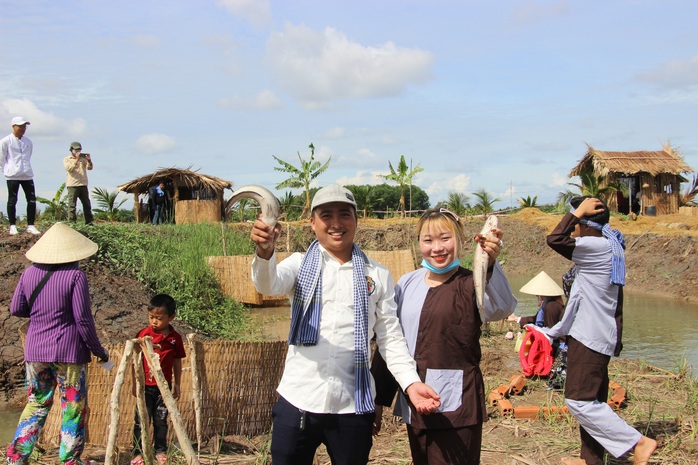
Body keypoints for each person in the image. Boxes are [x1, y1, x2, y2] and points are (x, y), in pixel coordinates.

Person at [249, 184, 441, 465]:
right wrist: (265, 251)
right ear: (312, 223)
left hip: (352, 405)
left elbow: (390, 337)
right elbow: (267, 283)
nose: (336, 223)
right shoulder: (299, 265)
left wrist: (411, 384)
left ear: (356, 220)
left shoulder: (377, 275)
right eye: (326, 215)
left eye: (345, 214)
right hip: (298, 399)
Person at [371, 208, 517, 465]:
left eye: (445, 238)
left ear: (460, 240)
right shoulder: (406, 283)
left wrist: (491, 263)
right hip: (414, 403)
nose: (437, 248)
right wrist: (379, 399)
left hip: (456, 407)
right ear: (419, 244)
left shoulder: (472, 283)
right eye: (428, 240)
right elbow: (391, 341)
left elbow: (503, 307)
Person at [535, 196, 657, 465]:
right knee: (593, 403)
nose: (573, 226)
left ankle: (638, 442)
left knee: (579, 401)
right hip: (596, 333)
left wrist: (576, 212)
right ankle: (590, 459)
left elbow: (555, 238)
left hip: (590, 336)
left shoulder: (595, 245)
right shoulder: (607, 245)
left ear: (586, 223)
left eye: (577, 221)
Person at [5, 222, 109, 465]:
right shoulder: (75, 275)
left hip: (35, 351)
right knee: (72, 406)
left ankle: (16, 458)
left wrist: (42, 314)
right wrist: (98, 351)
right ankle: (70, 460)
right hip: (69, 353)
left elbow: (16, 308)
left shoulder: (28, 274)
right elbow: (83, 320)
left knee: (37, 402)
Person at [131, 293, 186, 465]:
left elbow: (177, 361)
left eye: (159, 318)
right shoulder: (143, 334)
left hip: (163, 386)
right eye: (151, 317)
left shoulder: (174, 339)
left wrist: (177, 383)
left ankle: (160, 450)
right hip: (145, 386)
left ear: (171, 318)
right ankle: (137, 452)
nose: (154, 322)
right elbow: (135, 361)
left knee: (161, 419)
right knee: (141, 419)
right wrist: (135, 383)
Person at [0, 116, 40, 235]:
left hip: (27, 174)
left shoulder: (28, 142)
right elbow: (1, 158)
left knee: (32, 199)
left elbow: (28, 156)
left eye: (24, 126)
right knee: (12, 200)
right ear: (14, 126)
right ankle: (12, 225)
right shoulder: (5, 141)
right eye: (20, 126)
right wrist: (6, 170)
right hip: (13, 175)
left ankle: (31, 225)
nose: (23, 128)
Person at [63, 141, 94, 224]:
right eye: (76, 150)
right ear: (71, 150)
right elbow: (69, 168)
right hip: (73, 185)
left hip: (83, 184)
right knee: (72, 206)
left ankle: (89, 222)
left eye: (79, 150)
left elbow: (90, 168)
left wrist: (89, 160)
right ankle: (72, 223)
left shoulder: (83, 159)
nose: (78, 151)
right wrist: (76, 160)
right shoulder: (67, 159)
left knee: (87, 204)